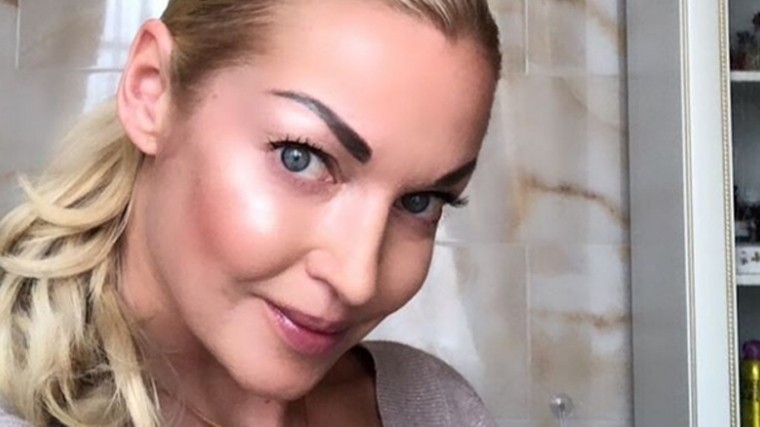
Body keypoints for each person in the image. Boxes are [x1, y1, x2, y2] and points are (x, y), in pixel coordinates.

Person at [0, 0, 502, 425]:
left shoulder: (434, 407)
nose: (358, 281)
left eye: (421, 201)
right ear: (152, 91)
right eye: (300, 158)